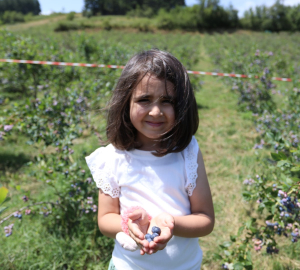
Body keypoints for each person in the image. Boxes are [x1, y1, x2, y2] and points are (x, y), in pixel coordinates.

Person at [86, 49, 214, 270]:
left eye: (167, 101)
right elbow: (106, 219)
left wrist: (170, 223)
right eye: (144, 99)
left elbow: (205, 219)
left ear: (181, 105)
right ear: (126, 103)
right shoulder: (112, 157)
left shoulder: (187, 152)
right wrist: (129, 224)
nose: (156, 111)